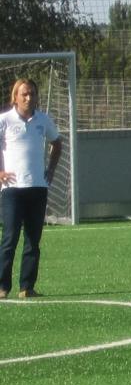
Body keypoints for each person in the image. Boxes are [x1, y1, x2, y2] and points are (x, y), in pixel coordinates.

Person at [0, 77, 63, 300]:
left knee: (33, 239)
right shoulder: (4, 120)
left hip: (38, 187)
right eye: (24, 94)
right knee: (9, 238)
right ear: (15, 97)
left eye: (33, 94)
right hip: (12, 189)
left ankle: (27, 287)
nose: (29, 97)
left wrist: (51, 170)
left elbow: (57, 142)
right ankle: (2, 287)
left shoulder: (43, 120)